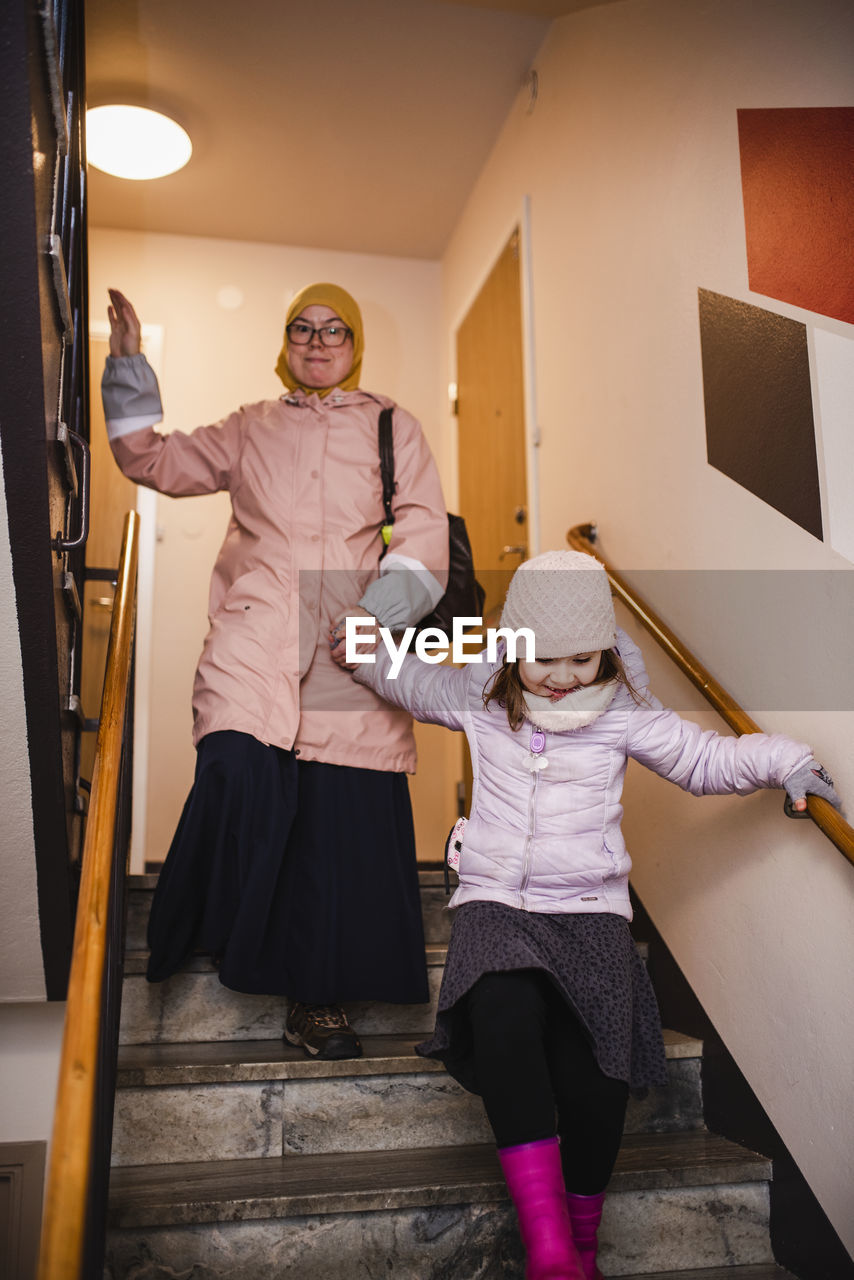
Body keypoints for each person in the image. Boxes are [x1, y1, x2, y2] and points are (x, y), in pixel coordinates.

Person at [331, 548, 842, 1280]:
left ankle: (581, 1250)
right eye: (545, 659)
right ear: (513, 646)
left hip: (590, 911)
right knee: (503, 1014)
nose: (563, 676)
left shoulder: (623, 712)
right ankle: (547, 1252)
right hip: (496, 904)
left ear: (603, 653)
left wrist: (784, 760)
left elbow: (702, 760)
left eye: (582, 659)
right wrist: (359, 649)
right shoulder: (479, 696)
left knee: (595, 1082)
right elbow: (407, 679)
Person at [102, 283, 449, 1060]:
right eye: (302, 328)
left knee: (332, 820)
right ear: (284, 341)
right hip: (254, 633)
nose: (317, 341)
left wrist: (374, 617)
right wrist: (126, 365)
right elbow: (151, 458)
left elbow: (424, 535)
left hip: (345, 642)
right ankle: (216, 930)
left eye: (334, 330)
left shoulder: (395, 426)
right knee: (234, 769)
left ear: (355, 344)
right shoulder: (249, 428)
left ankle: (316, 1003)